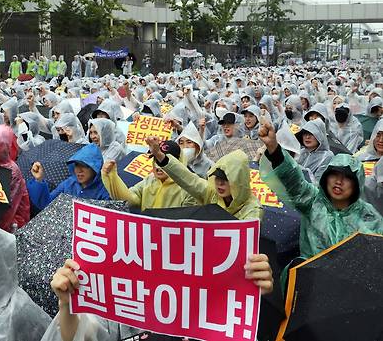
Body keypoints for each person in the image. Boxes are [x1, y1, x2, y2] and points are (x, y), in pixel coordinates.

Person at [45, 253, 274, 341]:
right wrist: (67, 305)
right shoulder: (123, 301)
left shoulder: (208, 311)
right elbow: (83, 335)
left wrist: (250, 296)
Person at [258, 120, 383, 259]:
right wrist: (274, 148)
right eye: (334, 175)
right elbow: (293, 179)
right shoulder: (313, 202)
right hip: (310, 276)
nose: (339, 182)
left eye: (347, 178)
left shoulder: (369, 216)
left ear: (357, 184)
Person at [147, 137, 262, 220]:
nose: (219, 183)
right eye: (217, 178)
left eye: (226, 179)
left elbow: (247, 238)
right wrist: (159, 155)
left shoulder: (252, 209)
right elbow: (188, 178)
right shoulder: (212, 193)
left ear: (239, 181)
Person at [102, 140, 196, 211]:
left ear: (178, 162)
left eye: (165, 161)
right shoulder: (149, 181)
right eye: (156, 159)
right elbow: (129, 200)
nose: (158, 165)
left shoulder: (190, 188)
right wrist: (112, 177)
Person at [28, 143, 110, 212]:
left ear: (96, 168)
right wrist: (39, 180)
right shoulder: (68, 184)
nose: (79, 170)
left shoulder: (104, 191)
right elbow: (47, 204)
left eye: (85, 166)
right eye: (77, 165)